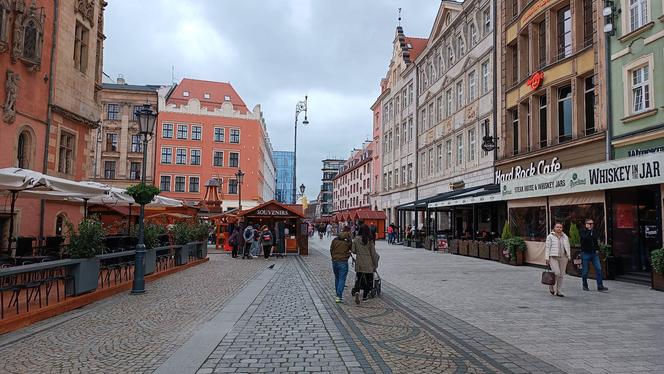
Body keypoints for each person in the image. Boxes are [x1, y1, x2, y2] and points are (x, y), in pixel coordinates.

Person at [351, 224, 380, 304]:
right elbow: (373, 253)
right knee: (369, 282)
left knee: (358, 279)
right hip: (368, 263)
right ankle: (364, 297)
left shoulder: (356, 239)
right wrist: (375, 264)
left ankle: (357, 291)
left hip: (359, 262)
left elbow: (353, 251)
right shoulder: (370, 240)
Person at [580, 219, 608, 292]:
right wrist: (589, 230)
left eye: (592, 223)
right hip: (585, 253)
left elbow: (595, 240)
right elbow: (585, 238)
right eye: (589, 223)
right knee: (585, 270)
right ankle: (585, 285)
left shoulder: (594, 231)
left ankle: (600, 285)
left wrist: (597, 249)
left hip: (594, 253)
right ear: (586, 224)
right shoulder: (583, 231)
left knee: (598, 269)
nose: (591, 225)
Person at [545, 222, 571, 297]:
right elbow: (547, 247)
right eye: (557, 227)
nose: (559, 228)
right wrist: (547, 258)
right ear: (554, 228)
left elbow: (568, 246)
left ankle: (559, 291)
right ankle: (551, 285)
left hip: (563, 257)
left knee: (561, 274)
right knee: (556, 272)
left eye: (560, 227)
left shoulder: (565, 236)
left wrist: (568, 256)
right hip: (553, 257)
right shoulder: (550, 236)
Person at [330, 226, 352, 303]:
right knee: (342, 279)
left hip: (335, 261)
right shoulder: (348, 240)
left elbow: (331, 249)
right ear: (348, 232)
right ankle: (338, 296)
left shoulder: (335, 239)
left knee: (337, 278)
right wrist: (347, 254)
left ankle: (337, 295)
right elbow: (352, 249)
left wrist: (333, 257)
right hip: (343, 261)